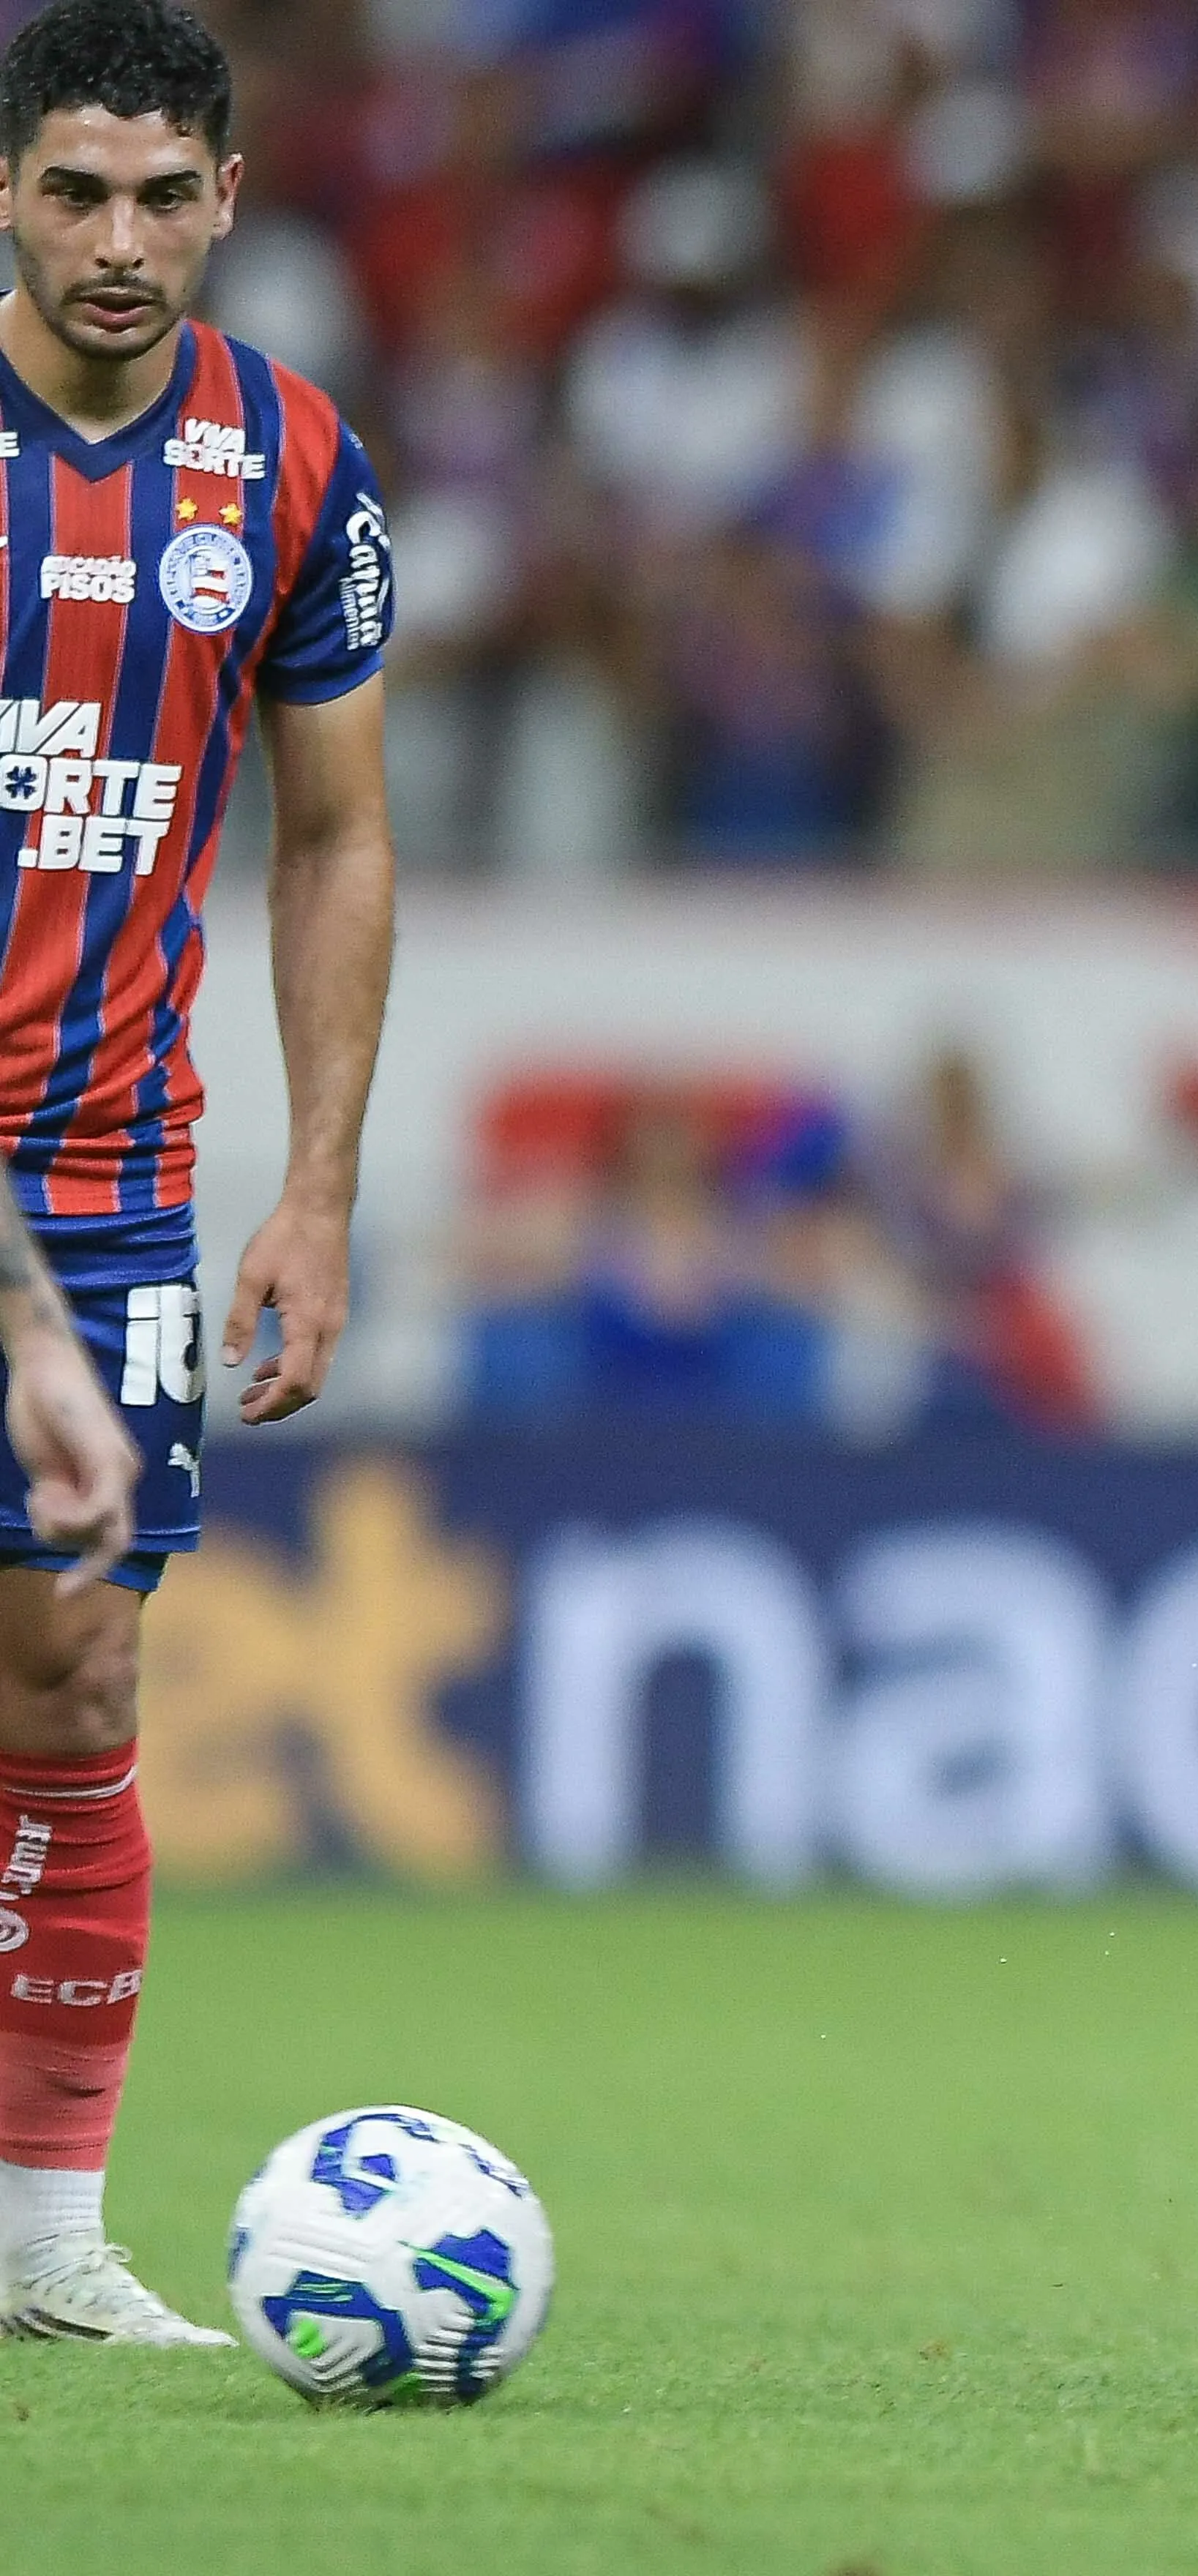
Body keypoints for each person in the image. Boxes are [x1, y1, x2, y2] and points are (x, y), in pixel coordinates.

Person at [0, 0, 397, 2345]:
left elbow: (336, 837)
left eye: (167, 196)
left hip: (114, 1175)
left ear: (232, 197)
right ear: (7, 194)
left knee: (71, 1673)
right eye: (76, 192)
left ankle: (45, 2250)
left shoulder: (298, 464)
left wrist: (319, 1186)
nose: (123, 242)